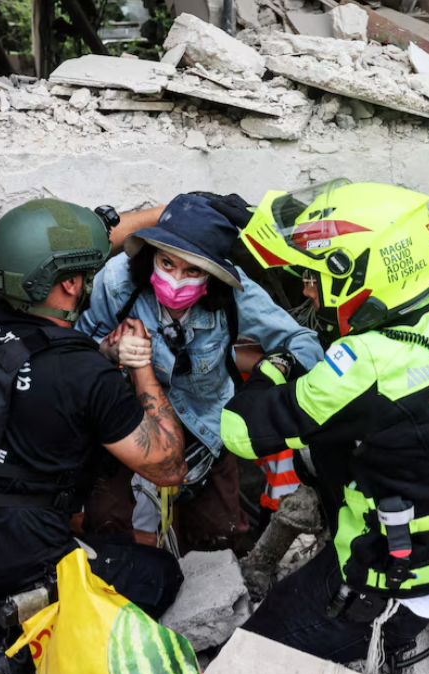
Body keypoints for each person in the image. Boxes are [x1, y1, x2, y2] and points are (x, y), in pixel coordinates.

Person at [218, 179, 429, 667]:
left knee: (251, 653)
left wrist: (276, 367)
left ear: (355, 274)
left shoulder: (363, 366)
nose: (308, 287)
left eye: (314, 276)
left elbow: (241, 431)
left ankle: (382, 635)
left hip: (399, 578)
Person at [0, 199, 188, 672]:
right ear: (68, 283)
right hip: (7, 579)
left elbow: (43, 385)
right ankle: (19, 658)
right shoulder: (82, 374)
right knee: (158, 575)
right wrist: (141, 367)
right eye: (85, 271)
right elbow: (168, 467)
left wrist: (174, 210)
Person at [76, 193, 323, 554]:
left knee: (221, 540)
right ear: (151, 256)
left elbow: (304, 342)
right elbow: (77, 349)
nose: (176, 280)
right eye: (167, 263)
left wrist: (271, 376)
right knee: (113, 534)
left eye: (192, 271)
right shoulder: (118, 282)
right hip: (128, 430)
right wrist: (108, 350)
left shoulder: (237, 297)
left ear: (212, 277)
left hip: (206, 432)